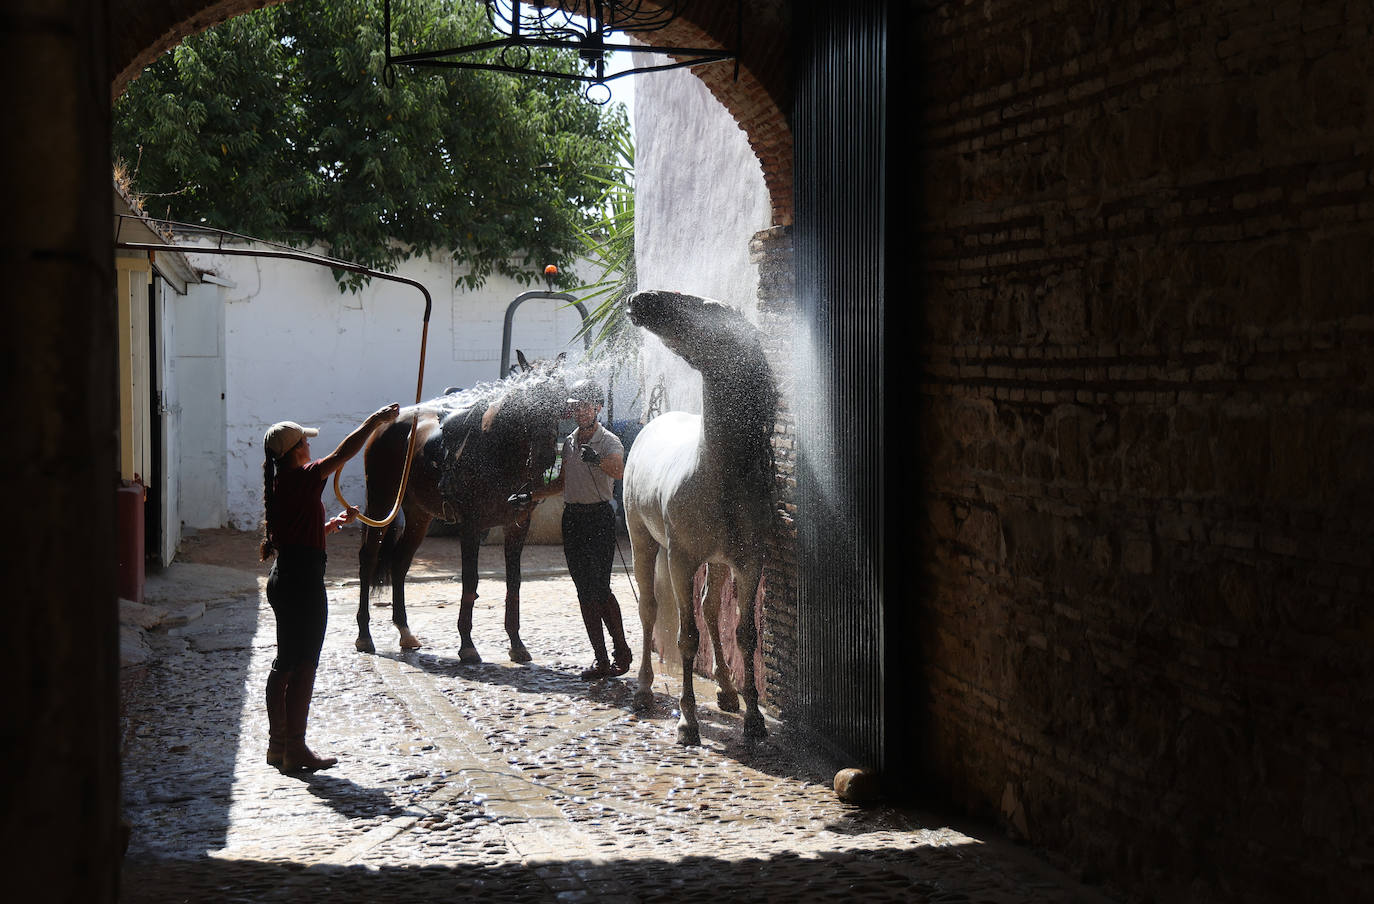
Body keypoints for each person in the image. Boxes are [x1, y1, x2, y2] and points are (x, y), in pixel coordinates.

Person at [259, 403, 400, 771]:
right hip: (302, 584)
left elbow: (295, 535)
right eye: (305, 441)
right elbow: (342, 454)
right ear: (296, 451)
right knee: (303, 666)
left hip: (286, 576)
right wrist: (374, 420)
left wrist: (332, 525)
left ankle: (278, 746)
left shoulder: (281, 482)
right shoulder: (303, 475)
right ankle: (295, 749)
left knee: (284, 664)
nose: (309, 445)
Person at [510, 379, 631, 679]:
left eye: (585, 406)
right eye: (575, 407)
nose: (579, 412)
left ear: (597, 408)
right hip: (573, 519)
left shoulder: (610, 441)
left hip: (599, 518)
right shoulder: (571, 442)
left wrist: (598, 460)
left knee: (600, 588)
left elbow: (618, 471)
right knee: (583, 591)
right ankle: (601, 659)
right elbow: (562, 482)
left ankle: (622, 651)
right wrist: (532, 494)